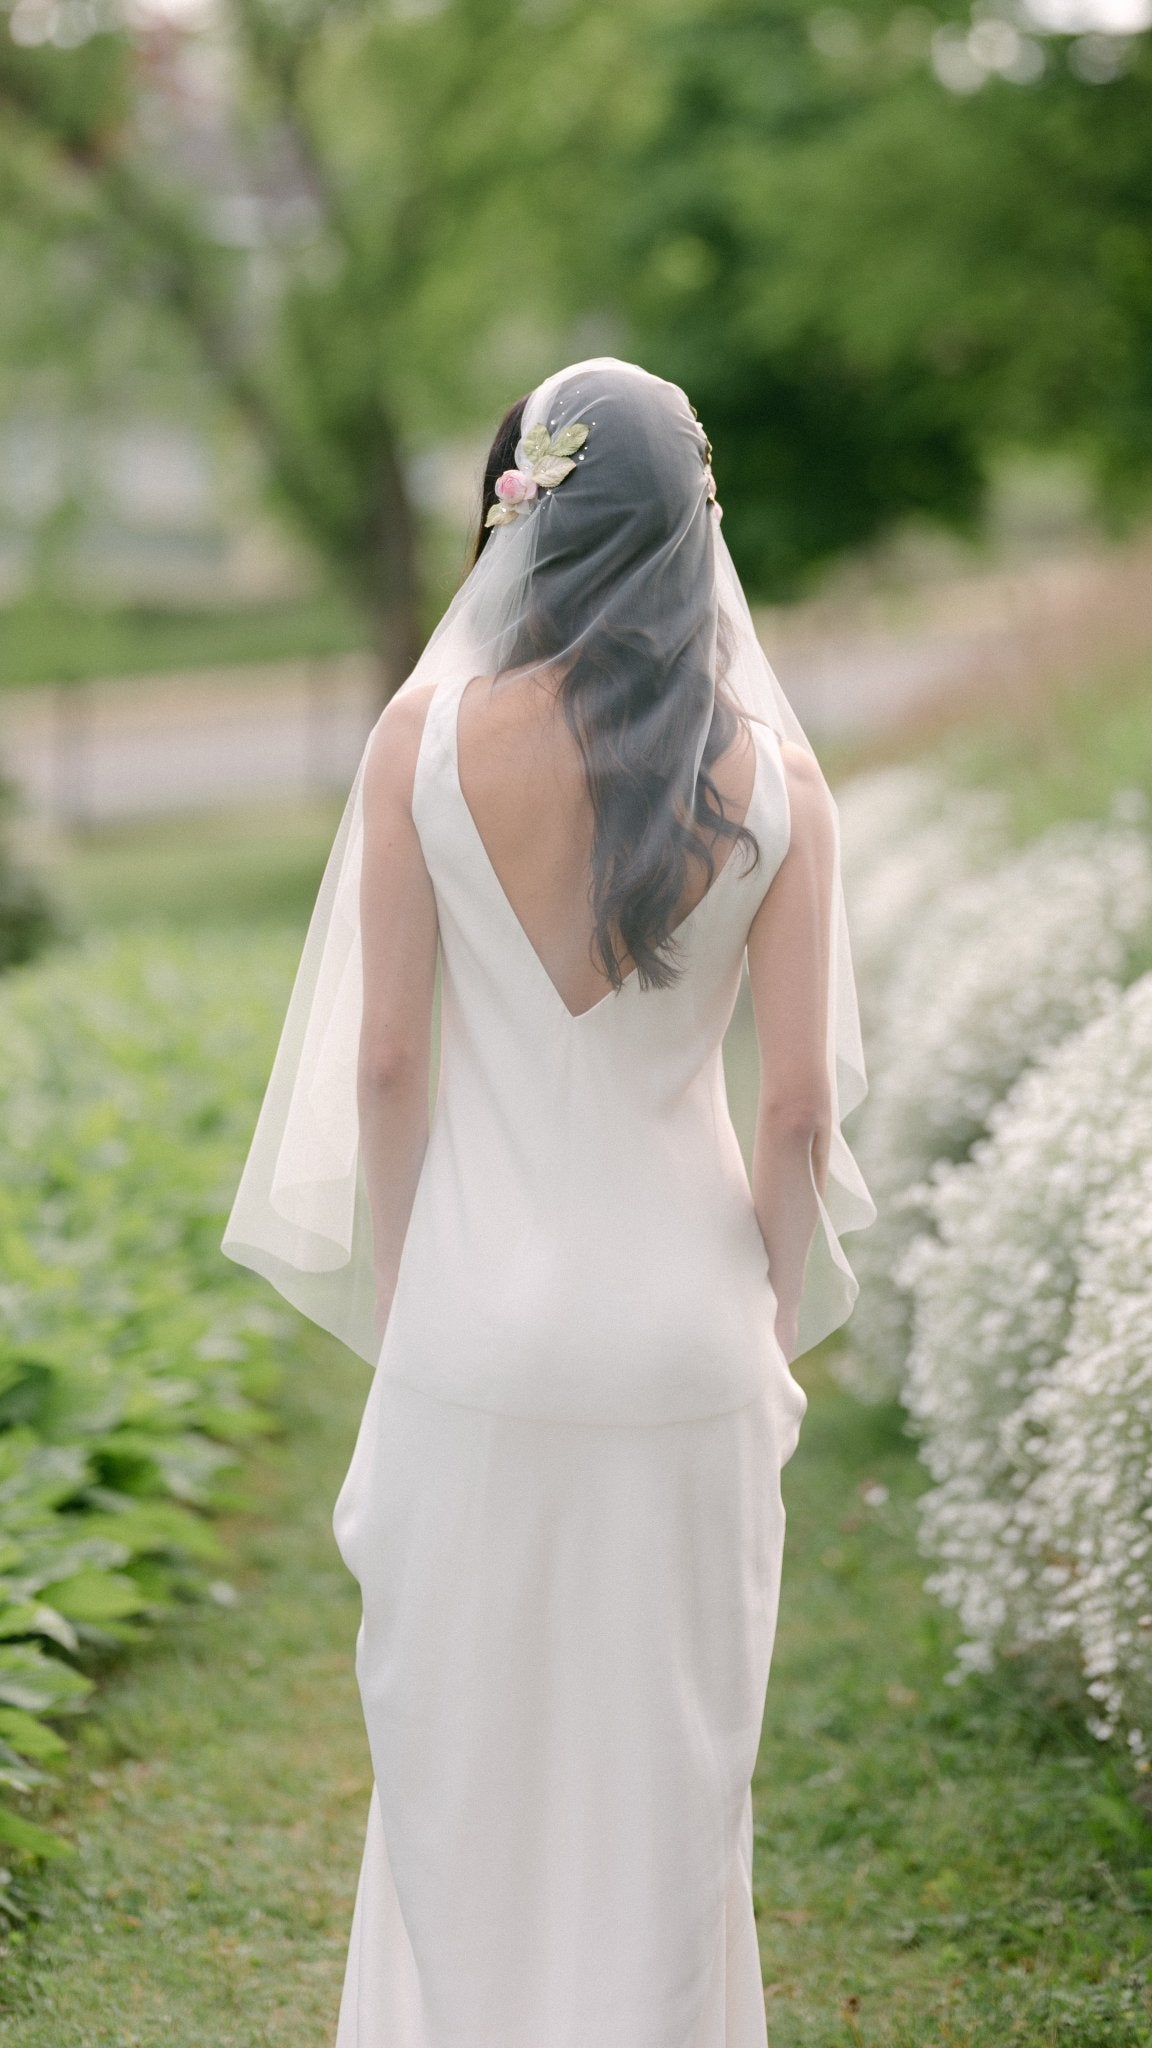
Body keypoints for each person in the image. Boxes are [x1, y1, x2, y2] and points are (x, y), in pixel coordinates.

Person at [223, 357, 874, 2048]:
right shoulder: (779, 790)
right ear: (693, 530)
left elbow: (383, 1067)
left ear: (526, 514)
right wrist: (773, 1318)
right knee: (671, 1782)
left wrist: (415, 1298)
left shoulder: (422, 743)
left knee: (465, 1763)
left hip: (477, 1327)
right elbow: (797, 1107)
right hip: (685, 1339)